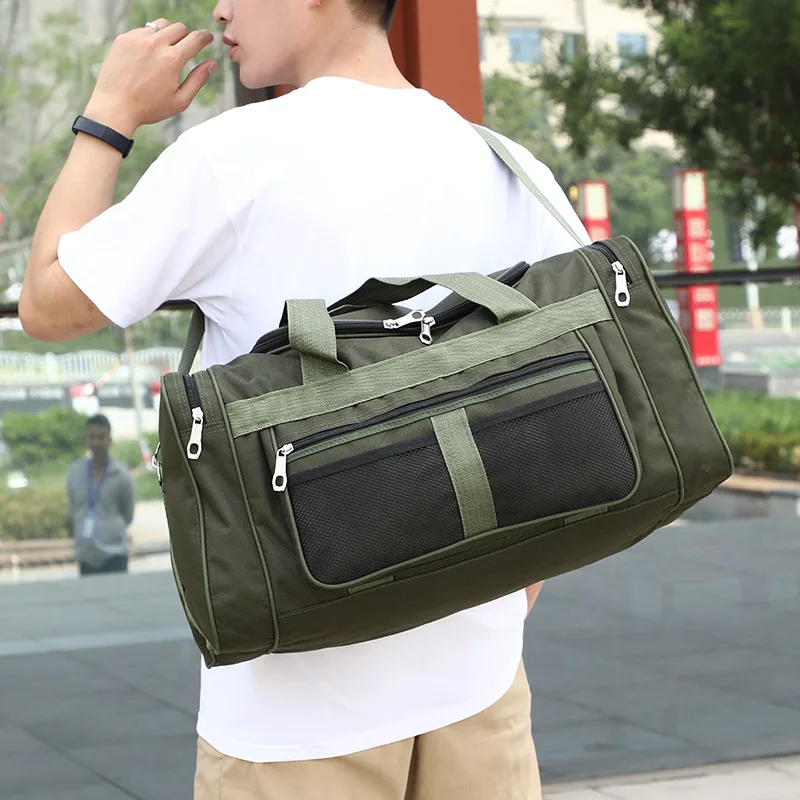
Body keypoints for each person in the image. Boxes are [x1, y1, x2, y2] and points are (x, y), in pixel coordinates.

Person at [19, 0, 589, 796]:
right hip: (481, 688)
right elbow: (575, 411)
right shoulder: (506, 165)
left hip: (293, 716)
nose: (221, 7)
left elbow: (48, 304)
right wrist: (508, 589)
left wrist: (109, 111)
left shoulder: (230, 161)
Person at [66, 414, 135, 576]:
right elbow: (73, 509)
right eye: (92, 437)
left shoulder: (121, 475)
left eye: (101, 437)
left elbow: (128, 515)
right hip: (86, 557)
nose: (96, 442)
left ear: (109, 440)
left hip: (114, 555)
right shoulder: (74, 473)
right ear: (87, 439)